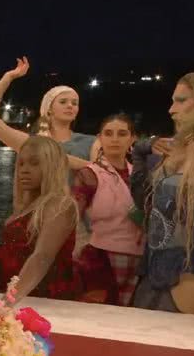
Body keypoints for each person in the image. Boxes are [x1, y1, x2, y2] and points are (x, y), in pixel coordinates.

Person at [0, 136, 81, 302]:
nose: (24, 170)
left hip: (41, 290)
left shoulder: (60, 204)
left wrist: (8, 301)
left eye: (34, 163)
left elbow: (43, 256)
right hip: (13, 280)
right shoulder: (25, 207)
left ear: (52, 167)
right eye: (21, 164)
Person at [132, 72, 194, 314]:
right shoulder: (175, 151)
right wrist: (140, 152)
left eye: (181, 100)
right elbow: (143, 203)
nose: (171, 109)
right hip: (152, 271)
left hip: (186, 280)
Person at [0, 57, 99, 170]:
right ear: (49, 109)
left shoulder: (92, 142)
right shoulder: (32, 143)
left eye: (75, 103)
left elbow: (103, 178)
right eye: (63, 102)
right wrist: (8, 77)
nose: (70, 106)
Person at [72, 114, 143, 306]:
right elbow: (72, 218)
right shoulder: (89, 175)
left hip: (140, 261)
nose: (114, 139)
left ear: (132, 139)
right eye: (108, 133)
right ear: (99, 138)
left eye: (122, 134)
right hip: (100, 260)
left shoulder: (141, 175)